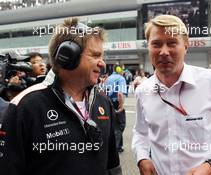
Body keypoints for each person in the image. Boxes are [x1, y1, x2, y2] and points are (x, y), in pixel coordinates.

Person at [132, 15, 211, 175]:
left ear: (186, 46)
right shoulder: (143, 91)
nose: (164, 51)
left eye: (172, 43)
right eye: (156, 44)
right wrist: (142, 158)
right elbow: (141, 133)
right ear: (148, 47)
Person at [0, 18, 122, 175]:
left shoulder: (102, 101)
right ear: (68, 55)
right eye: (96, 55)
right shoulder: (24, 106)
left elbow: (112, 165)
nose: (102, 64)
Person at [105, 65, 127, 153]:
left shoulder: (108, 78)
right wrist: (121, 105)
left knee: (111, 124)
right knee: (120, 125)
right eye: (122, 69)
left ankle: (119, 146)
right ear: (119, 70)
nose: (123, 71)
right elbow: (120, 93)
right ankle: (116, 147)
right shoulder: (121, 78)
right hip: (117, 102)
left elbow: (104, 91)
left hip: (108, 102)